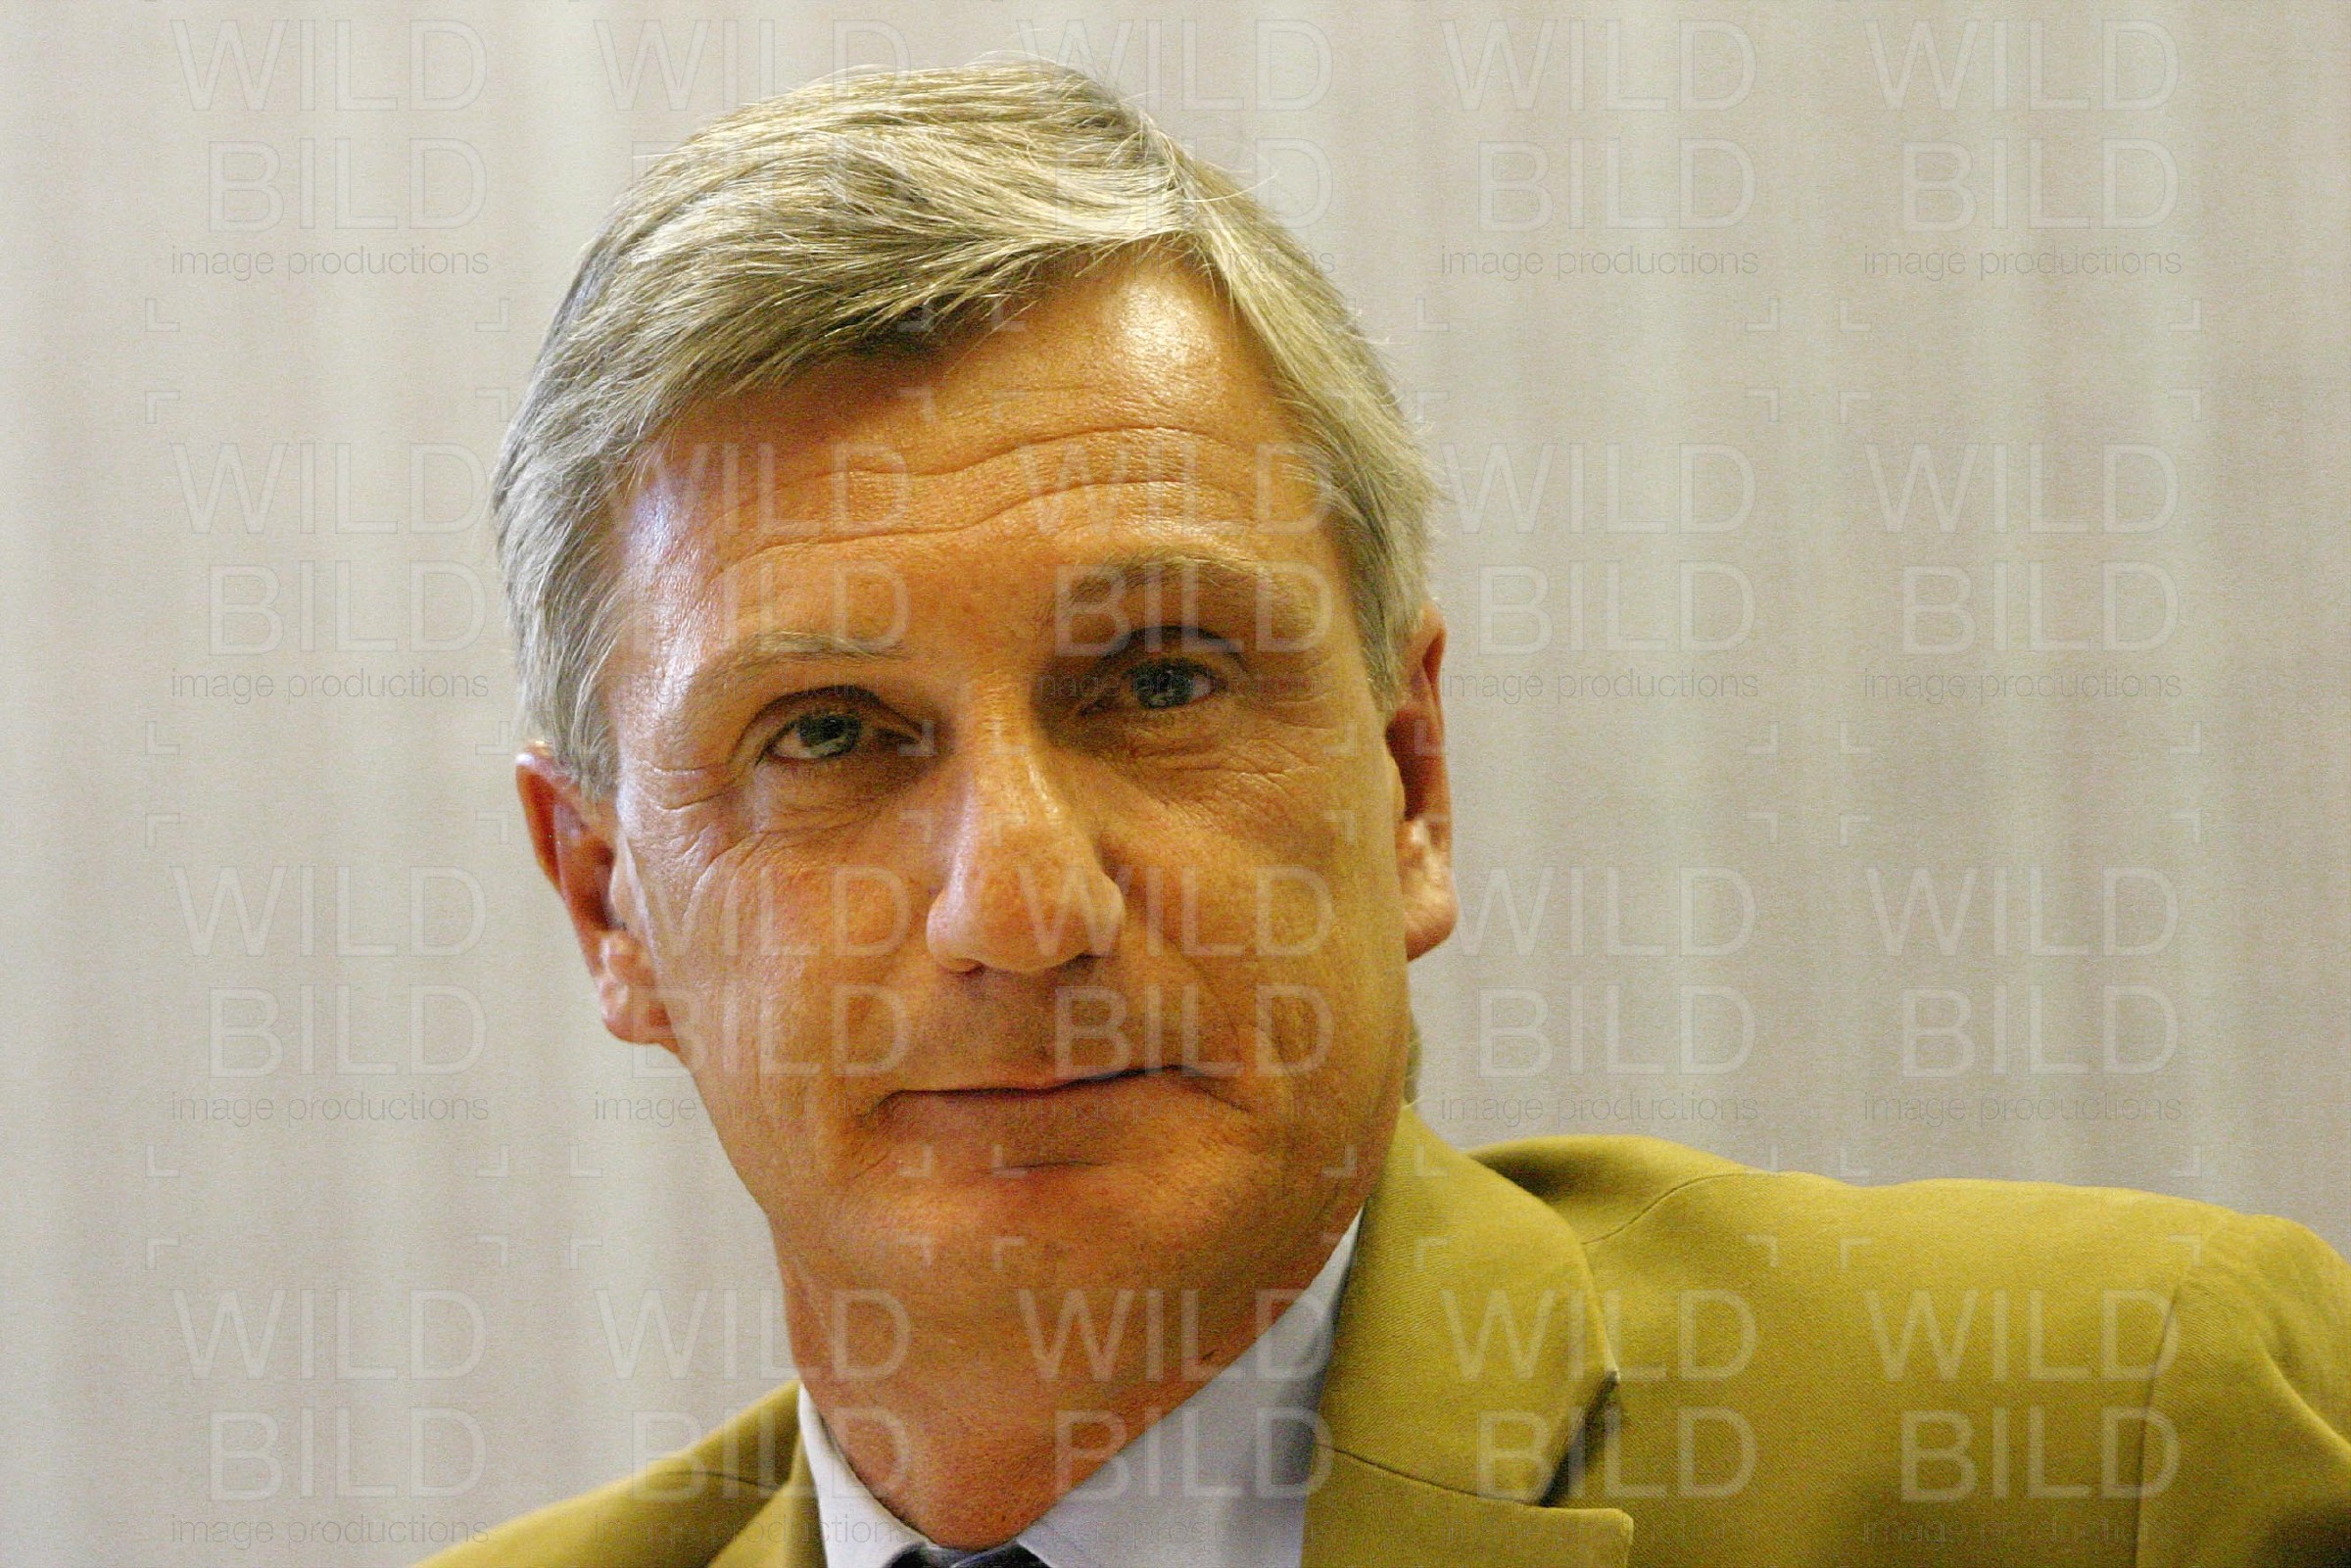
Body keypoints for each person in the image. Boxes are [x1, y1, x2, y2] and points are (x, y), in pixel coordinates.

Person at [422, 57, 2351, 1568]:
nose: (1023, 905)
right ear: (611, 906)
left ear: (1410, 780)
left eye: (1157, 683)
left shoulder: (2115, 1446)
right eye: (831, 734)